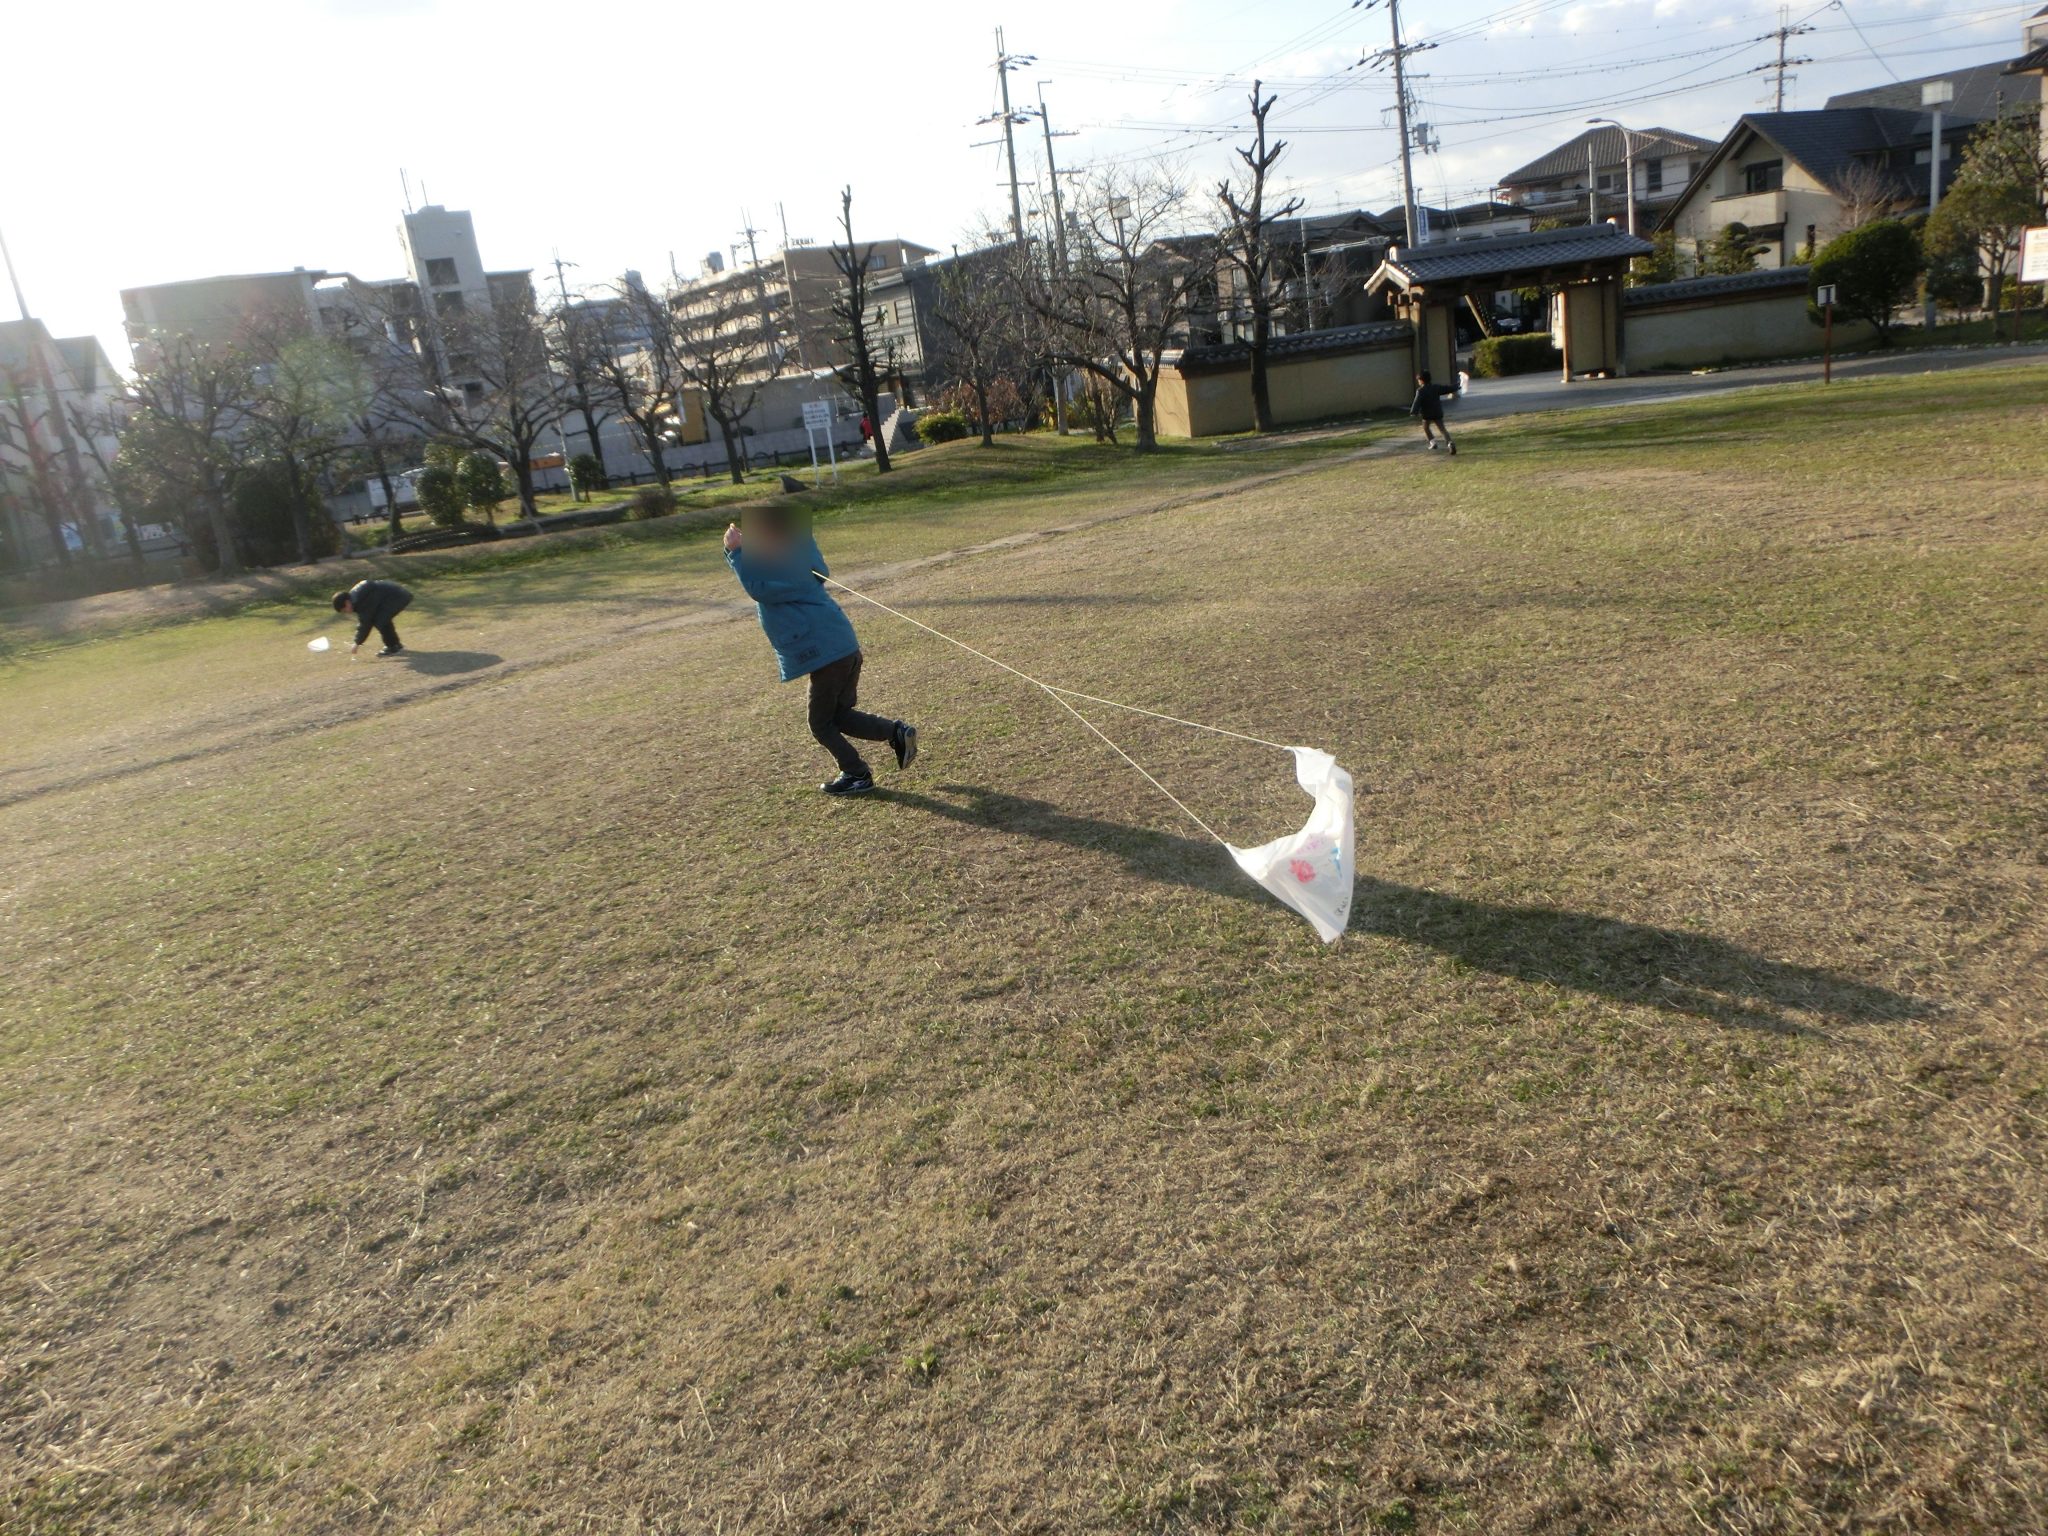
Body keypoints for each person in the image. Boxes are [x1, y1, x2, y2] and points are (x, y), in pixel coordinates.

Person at [724, 507, 917, 797]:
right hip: (842, 648)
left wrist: (736, 552)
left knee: (820, 723)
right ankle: (896, 732)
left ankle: (856, 773)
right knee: (839, 715)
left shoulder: (786, 570)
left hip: (829, 655)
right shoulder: (797, 558)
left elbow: (759, 588)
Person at [333, 578, 413, 658]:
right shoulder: (355, 598)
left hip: (398, 597)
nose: (346, 612)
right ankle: (395, 645)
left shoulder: (360, 601)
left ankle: (393, 647)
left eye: (344, 610)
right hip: (396, 595)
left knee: (381, 621)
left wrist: (357, 643)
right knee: (381, 619)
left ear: (347, 603)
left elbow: (366, 622)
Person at [1410, 370, 1458, 455]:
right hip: (1437, 412)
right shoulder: (1435, 387)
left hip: (1427, 414)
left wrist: (1414, 412)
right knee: (1442, 429)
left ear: (1421, 380)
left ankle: (1433, 443)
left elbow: (1416, 402)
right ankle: (1450, 443)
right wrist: (1456, 387)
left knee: (1426, 427)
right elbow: (1446, 389)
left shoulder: (1420, 391)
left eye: (1418, 380)